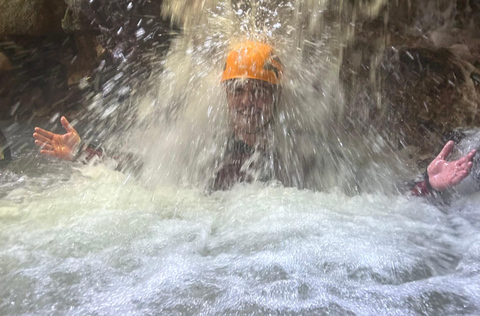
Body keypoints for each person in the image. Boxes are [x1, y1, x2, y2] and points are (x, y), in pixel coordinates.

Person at [33, 40, 477, 193]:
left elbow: (364, 200)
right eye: (238, 92)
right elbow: (144, 173)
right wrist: (82, 152)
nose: (247, 102)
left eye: (260, 93)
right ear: (226, 97)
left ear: (277, 99)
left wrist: (426, 184)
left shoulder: (301, 154)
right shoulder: (205, 152)